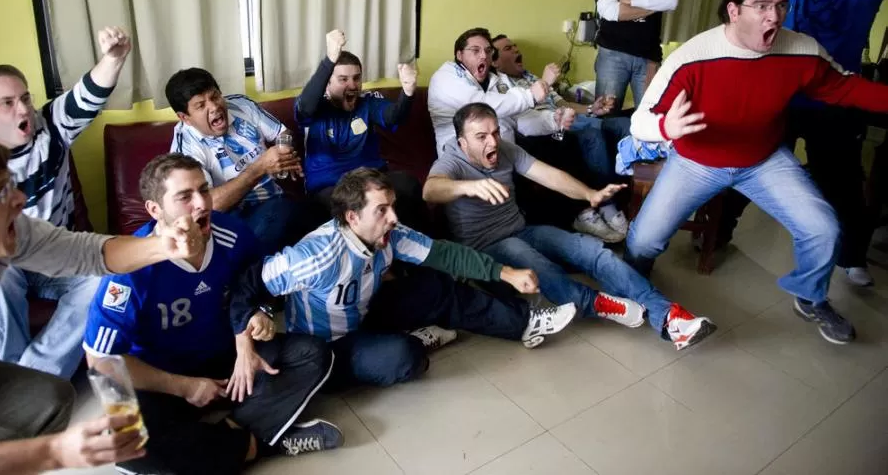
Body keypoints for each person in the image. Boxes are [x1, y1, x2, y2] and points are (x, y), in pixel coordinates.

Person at [625, 0, 888, 346]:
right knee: (643, 241)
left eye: (782, 5)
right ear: (734, 10)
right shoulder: (694, 57)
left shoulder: (800, 49)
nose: (774, 16)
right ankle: (634, 281)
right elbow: (640, 122)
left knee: (823, 228)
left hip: (762, 160)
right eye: (762, 6)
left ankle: (810, 296)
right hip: (697, 162)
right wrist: (667, 129)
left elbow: (845, 89)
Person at [0, 134, 206, 474]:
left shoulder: (6, 231)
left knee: (50, 396)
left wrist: (162, 246)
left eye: (11, 184)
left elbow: (85, 253)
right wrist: (54, 453)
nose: (20, 199)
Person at [83, 154, 342, 475]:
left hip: (228, 361)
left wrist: (254, 321)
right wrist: (184, 387)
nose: (201, 203)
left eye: (204, 190)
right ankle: (261, 442)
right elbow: (101, 363)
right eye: (184, 197)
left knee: (313, 354)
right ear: (154, 210)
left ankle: (226, 434)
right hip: (161, 378)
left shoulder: (231, 234)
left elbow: (261, 286)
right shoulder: (128, 272)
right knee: (126, 443)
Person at [718, 0, 888, 287]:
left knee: (843, 182)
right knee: (747, 161)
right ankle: (717, 236)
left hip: (833, 97)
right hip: (780, 91)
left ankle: (851, 256)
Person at [0, 27, 132, 379]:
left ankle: (35, 377)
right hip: (5, 259)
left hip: (56, 258)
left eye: (25, 98)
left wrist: (114, 57)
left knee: (105, 282)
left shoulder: (52, 127)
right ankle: (18, 374)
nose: (24, 109)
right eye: (7, 102)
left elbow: (88, 94)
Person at [244, 168, 577, 388]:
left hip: (366, 311)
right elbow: (251, 282)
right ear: (352, 216)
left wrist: (507, 273)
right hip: (327, 344)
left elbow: (445, 254)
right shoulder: (315, 256)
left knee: (435, 286)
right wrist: (261, 314)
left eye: (393, 206)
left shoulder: (391, 232)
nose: (394, 218)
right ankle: (403, 342)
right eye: (382, 210)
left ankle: (525, 323)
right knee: (407, 357)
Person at [422, 103, 715, 350]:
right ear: (463, 142)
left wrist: (590, 195)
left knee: (593, 251)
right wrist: (469, 187)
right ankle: (599, 303)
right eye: (481, 136)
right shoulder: (451, 160)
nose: (492, 142)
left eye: (495, 132)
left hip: (523, 229)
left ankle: (670, 318)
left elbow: (550, 176)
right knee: (543, 268)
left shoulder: (506, 150)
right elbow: (431, 190)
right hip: (487, 245)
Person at [491, 34, 631, 240]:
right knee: (592, 134)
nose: (515, 50)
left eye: (514, 46)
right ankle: (605, 202)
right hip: (550, 129)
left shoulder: (530, 76)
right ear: (495, 62)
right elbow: (523, 119)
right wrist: (546, 86)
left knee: (623, 124)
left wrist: (592, 108)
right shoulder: (501, 85)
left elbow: (560, 102)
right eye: (507, 49)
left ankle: (637, 191)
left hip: (571, 118)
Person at [166, 67, 318, 253]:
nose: (214, 107)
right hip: (232, 219)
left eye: (215, 96)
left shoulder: (241, 105)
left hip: (276, 202)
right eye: (200, 105)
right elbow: (207, 205)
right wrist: (260, 168)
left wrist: (283, 150)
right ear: (184, 117)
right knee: (283, 216)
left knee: (321, 212)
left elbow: (282, 133)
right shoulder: (185, 148)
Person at [295, 29, 424, 228]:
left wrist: (407, 93)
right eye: (343, 79)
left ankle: (417, 250)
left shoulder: (368, 103)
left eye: (356, 78)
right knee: (351, 207)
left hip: (371, 178)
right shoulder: (317, 106)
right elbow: (305, 107)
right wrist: (329, 60)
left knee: (408, 184)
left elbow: (392, 117)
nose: (353, 85)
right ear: (327, 84)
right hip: (330, 185)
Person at [428, 27, 547, 155]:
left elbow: (519, 114)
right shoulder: (445, 76)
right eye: (475, 50)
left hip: (503, 158)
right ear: (460, 55)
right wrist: (530, 95)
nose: (484, 56)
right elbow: (480, 106)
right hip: (463, 159)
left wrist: (555, 120)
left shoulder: (496, 79)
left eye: (488, 50)